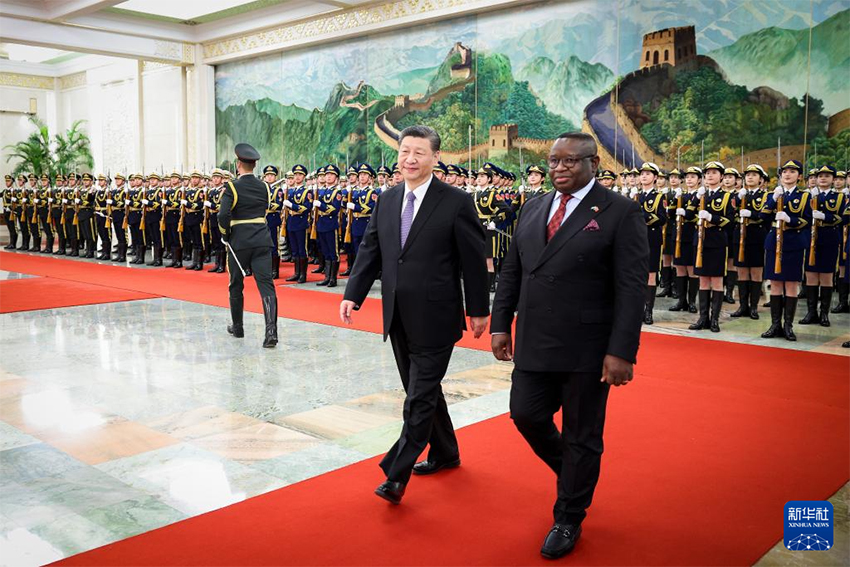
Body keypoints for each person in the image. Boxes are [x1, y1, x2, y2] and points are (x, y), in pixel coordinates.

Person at [490, 132, 647, 559]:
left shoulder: (621, 212)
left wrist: (622, 351)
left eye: (569, 162)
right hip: (536, 338)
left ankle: (569, 515)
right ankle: (575, 473)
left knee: (582, 433)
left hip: (588, 346)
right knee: (525, 414)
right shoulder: (534, 206)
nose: (559, 168)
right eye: (553, 161)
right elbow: (512, 271)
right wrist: (500, 323)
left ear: (593, 163)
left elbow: (631, 288)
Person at [339, 125, 489, 505]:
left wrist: (479, 310)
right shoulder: (388, 199)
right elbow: (371, 249)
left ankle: (397, 472)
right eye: (405, 151)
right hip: (397, 315)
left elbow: (473, 261)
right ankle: (446, 451)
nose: (409, 159)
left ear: (435, 158)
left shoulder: (455, 201)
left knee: (418, 397)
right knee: (421, 390)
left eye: (419, 152)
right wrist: (353, 294)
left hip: (437, 315)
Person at [218, 143, 278, 348]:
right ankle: (271, 332)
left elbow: (222, 214)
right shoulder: (265, 187)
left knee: (236, 284)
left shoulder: (232, 186)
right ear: (254, 165)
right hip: (262, 240)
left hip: (239, 242)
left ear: (238, 164)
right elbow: (265, 210)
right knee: (266, 286)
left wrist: (226, 234)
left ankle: (238, 327)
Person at [760, 160, 811, 341]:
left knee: (790, 284)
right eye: (784, 172)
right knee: (775, 283)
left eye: (792, 171)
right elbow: (762, 216)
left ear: (799, 176)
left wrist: (791, 219)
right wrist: (773, 200)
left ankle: (788, 326)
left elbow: (808, 220)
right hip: (774, 242)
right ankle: (775, 325)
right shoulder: (773, 194)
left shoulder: (805, 196)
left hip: (793, 242)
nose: (787, 175)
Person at [688, 161, 733, 333]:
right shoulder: (701, 194)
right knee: (703, 280)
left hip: (717, 241)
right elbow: (689, 214)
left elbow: (730, 221)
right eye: (707, 173)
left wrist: (712, 218)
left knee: (716, 281)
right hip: (700, 241)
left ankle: (715, 319)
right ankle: (703, 318)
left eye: (714, 172)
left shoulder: (727, 197)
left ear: (721, 176)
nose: (710, 175)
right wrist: (695, 198)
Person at [799, 165, 843, 327]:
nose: (823, 178)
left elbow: (842, 218)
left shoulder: (839, 198)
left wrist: (825, 216)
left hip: (829, 237)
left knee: (826, 276)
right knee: (810, 275)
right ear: (815, 179)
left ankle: (824, 313)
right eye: (820, 176)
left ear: (833, 179)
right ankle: (811, 312)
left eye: (827, 176)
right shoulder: (807, 196)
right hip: (811, 239)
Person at [730, 164, 769, 319]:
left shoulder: (767, 196)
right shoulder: (739, 195)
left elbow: (764, 215)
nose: (750, 177)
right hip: (739, 235)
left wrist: (751, 214)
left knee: (756, 272)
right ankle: (742, 306)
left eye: (754, 175)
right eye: (748, 175)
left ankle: (753, 307)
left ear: (760, 179)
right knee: (742, 272)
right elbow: (728, 212)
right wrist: (738, 200)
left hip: (756, 235)